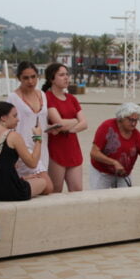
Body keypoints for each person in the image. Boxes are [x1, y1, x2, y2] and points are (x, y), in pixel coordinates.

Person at [0, 102, 52, 200]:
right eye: (14, 116)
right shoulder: (13, 136)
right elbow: (32, 163)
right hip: (10, 190)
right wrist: (38, 138)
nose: (18, 119)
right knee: (43, 182)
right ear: (3, 118)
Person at [90, 103, 140, 188]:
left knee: (125, 199)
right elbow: (94, 153)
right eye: (131, 120)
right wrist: (113, 162)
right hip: (102, 172)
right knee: (99, 199)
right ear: (121, 118)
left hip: (123, 174)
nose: (134, 124)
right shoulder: (107, 127)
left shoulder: (137, 136)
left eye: (136, 120)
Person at [42, 63, 87, 192]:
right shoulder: (48, 97)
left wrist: (69, 129)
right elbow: (58, 122)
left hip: (73, 148)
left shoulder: (72, 98)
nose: (66, 78)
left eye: (67, 74)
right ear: (52, 79)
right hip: (56, 149)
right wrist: (74, 120)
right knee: (56, 190)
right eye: (61, 75)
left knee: (77, 189)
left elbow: (84, 123)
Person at [7, 62, 53, 188]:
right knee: (47, 186)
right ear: (19, 79)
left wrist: (52, 128)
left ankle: (20, 184)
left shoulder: (42, 95)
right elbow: (8, 125)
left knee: (42, 184)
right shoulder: (13, 98)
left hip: (41, 144)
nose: (30, 81)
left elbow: (43, 120)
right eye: (26, 78)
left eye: (33, 77)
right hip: (23, 147)